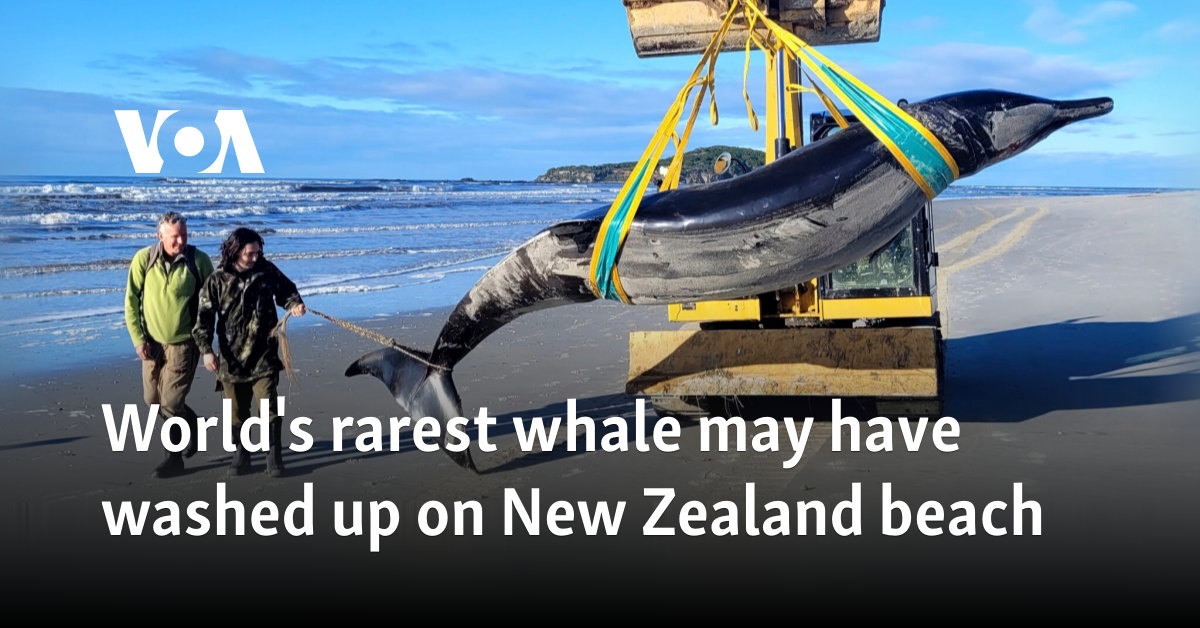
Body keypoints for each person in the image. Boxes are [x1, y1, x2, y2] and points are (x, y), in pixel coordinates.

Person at [193, 227, 306, 478]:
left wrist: (294, 303)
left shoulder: (266, 271)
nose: (255, 257)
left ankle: (273, 457)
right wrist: (206, 352)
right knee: (237, 411)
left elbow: (286, 290)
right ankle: (241, 455)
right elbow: (203, 319)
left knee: (269, 406)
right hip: (231, 359)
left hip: (264, 354)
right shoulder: (217, 280)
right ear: (235, 251)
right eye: (250, 253)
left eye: (258, 252)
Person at [124, 211, 214, 478]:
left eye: (184, 235)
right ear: (160, 235)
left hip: (184, 344)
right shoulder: (144, 259)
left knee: (171, 404)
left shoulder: (198, 261)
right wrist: (138, 339)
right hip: (151, 344)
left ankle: (173, 460)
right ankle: (192, 423)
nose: (180, 241)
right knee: (152, 401)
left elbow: (212, 303)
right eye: (174, 236)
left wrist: (207, 345)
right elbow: (131, 302)